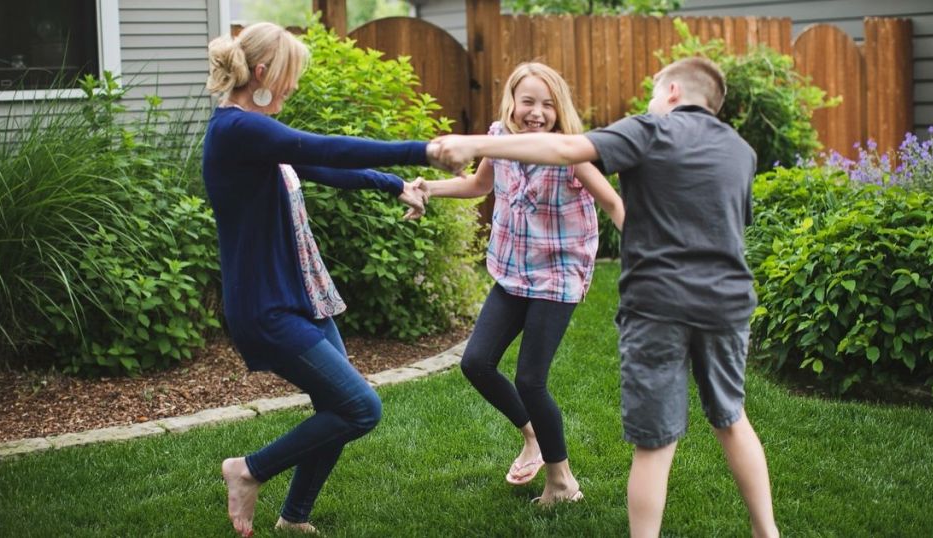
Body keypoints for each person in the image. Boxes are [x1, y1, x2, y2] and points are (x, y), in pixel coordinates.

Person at [428, 57, 778, 537]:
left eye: (655, 93)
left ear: (672, 92)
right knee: (731, 418)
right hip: (725, 300)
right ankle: (767, 532)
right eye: (527, 100)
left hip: (639, 297)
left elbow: (576, 155)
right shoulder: (741, 151)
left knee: (653, 442)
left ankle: (577, 489)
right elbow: (731, 222)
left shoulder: (650, 130)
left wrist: (473, 142)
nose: (652, 102)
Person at [203, 22, 433, 537]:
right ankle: (247, 470)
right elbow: (327, 148)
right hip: (266, 309)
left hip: (296, 298)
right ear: (262, 73)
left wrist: (394, 183)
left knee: (337, 405)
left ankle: (294, 518)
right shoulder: (238, 130)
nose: (294, 87)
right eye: (290, 77)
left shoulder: (253, 134)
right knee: (360, 408)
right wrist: (423, 150)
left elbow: (321, 166)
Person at [419, 62, 624, 506]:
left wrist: (650, 255)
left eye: (548, 104)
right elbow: (478, 185)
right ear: (511, 101)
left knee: (531, 380)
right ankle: (532, 436)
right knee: (475, 363)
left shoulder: (570, 151)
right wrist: (428, 188)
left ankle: (562, 481)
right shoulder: (498, 139)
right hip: (513, 269)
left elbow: (611, 200)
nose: (537, 112)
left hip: (558, 272)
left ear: (560, 109)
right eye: (528, 101)